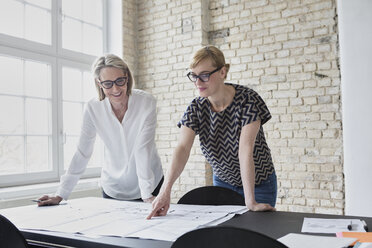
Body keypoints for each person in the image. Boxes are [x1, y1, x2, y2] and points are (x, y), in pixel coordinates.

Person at [147, 45, 277, 219]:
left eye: (205, 75)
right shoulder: (196, 107)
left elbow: (245, 149)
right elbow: (182, 148)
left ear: (222, 72)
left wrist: (250, 201)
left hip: (259, 183)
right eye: (194, 76)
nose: (198, 83)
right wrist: (165, 191)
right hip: (223, 182)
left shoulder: (248, 100)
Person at [37, 54, 163, 206]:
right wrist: (61, 194)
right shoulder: (93, 108)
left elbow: (143, 148)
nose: (115, 89)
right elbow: (83, 152)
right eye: (108, 84)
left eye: (120, 81)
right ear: (99, 83)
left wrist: (147, 194)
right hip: (113, 187)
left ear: (127, 77)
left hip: (150, 183)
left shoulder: (146, 102)